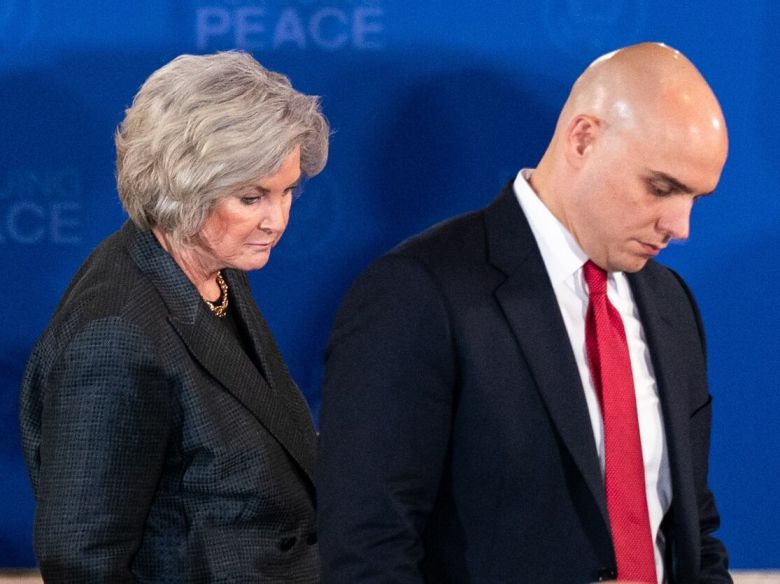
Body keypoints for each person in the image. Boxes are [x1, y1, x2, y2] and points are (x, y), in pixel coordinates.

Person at [317, 42, 731, 583]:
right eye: (661, 188)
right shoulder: (417, 293)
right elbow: (369, 550)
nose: (680, 227)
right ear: (583, 139)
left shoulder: (671, 303)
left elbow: (693, 533)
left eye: (696, 199)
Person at [19, 51, 328, 583]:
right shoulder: (115, 336)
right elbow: (83, 560)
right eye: (251, 197)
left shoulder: (214, 267)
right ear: (184, 186)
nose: (276, 221)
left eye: (287, 192)